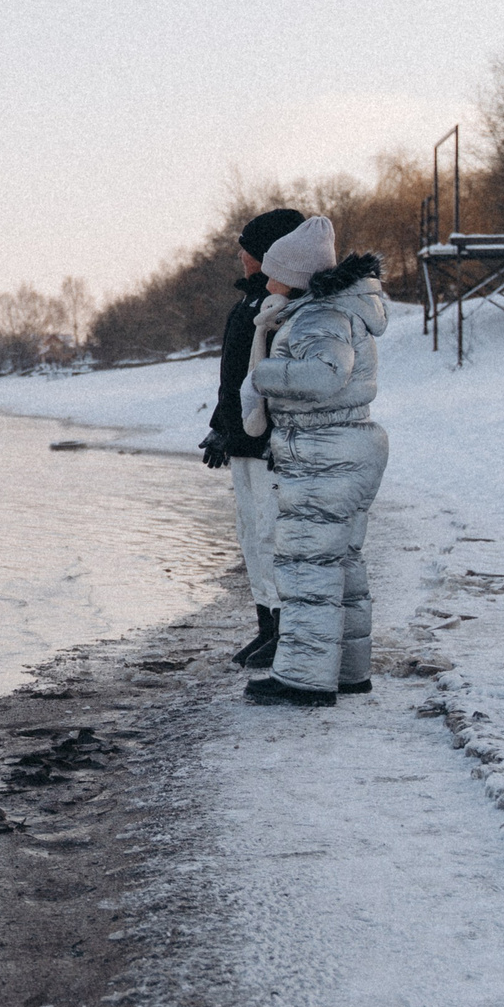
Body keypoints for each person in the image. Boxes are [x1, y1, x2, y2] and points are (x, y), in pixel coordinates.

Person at [239, 216, 391, 707]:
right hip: (343, 444)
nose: (266, 277)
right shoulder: (330, 310)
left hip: (324, 448)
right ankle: (347, 671)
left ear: (297, 274)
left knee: (307, 564)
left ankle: (305, 677)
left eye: (275, 268)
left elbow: (325, 375)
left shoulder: (318, 317)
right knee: (339, 563)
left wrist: (264, 373)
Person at [203, 208, 306, 667]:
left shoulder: (283, 308)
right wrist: (219, 428)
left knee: (270, 535)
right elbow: (233, 381)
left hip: (268, 445)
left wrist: (270, 437)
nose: (240, 255)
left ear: (270, 252)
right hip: (241, 441)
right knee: (249, 535)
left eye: (247, 247)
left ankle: (285, 630)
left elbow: (275, 383)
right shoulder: (247, 305)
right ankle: (266, 625)